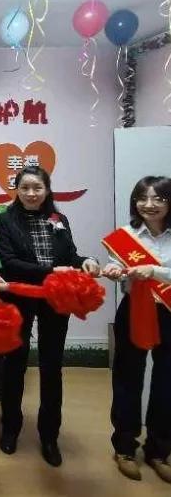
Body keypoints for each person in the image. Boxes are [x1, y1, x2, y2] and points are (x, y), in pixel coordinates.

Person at [0, 165, 99, 467]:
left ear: (47, 190)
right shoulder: (6, 220)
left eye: (37, 188)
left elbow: (71, 256)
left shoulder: (59, 219)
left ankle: (50, 436)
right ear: (17, 190)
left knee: (52, 367)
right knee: (14, 364)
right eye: (25, 188)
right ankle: (10, 429)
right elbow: (10, 263)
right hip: (20, 297)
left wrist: (87, 261)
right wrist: (51, 270)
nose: (31, 193)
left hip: (56, 299)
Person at [101, 176, 171, 484]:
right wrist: (115, 271)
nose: (149, 204)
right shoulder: (126, 236)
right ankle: (125, 447)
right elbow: (120, 272)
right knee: (128, 378)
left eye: (158, 198)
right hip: (135, 310)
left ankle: (159, 449)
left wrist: (153, 270)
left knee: (167, 381)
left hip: (169, 312)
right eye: (143, 198)